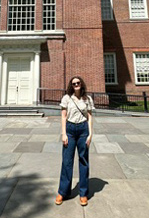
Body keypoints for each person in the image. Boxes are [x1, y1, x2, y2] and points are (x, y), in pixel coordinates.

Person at [55, 76, 94, 206]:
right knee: (67, 161)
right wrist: (64, 134)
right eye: (73, 83)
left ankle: (83, 193)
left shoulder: (87, 99)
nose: (76, 85)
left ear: (81, 84)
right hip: (70, 130)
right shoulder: (66, 98)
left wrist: (90, 134)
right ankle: (63, 192)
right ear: (71, 86)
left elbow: (89, 116)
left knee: (83, 161)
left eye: (78, 83)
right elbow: (63, 116)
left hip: (83, 130)